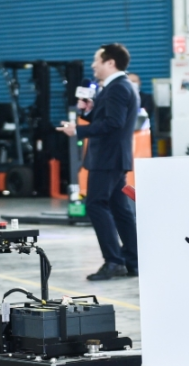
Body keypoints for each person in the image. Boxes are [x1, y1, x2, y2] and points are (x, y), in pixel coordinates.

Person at [57, 43, 139, 280]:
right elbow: (107, 118)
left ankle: (114, 261)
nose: (93, 65)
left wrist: (78, 130)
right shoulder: (116, 87)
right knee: (120, 209)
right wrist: (87, 111)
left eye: (97, 60)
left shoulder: (118, 88)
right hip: (113, 157)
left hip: (108, 158)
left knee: (95, 205)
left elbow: (113, 123)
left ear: (110, 62)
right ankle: (133, 260)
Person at [128, 72, 158, 156]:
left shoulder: (147, 98)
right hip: (124, 138)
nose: (132, 83)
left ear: (139, 83)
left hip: (143, 137)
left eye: (134, 81)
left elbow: (146, 114)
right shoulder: (119, 99)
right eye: (130, 81)